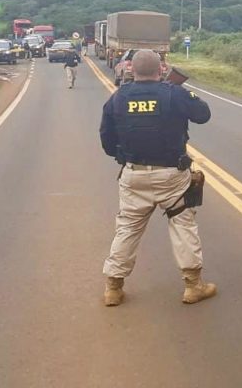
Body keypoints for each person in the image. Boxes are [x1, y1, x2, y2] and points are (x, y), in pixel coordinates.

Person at [98, 49, 216, 307]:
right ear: (161, 69)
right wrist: (179, 92)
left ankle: (113, 288)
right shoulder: (174, 94)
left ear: (131, 70)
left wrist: (123, 156)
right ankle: (193, 285)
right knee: (183, 223)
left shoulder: (118, 98)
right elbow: (203, 115)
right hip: (171, 176)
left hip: (133, 174)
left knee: (128, 228)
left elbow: (106, 139)